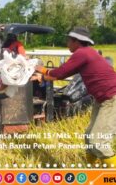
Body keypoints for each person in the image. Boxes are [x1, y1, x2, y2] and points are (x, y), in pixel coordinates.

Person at [32, 27, 116, 166]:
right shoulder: (87, 53)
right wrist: (43, 72)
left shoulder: (82, 53)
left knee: (98, 141)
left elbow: (60, 74)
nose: (67, 43)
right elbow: (61, 72)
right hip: (103, 99)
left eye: (69, 40)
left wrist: (42, 75)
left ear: (77, 41)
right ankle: (92, 170)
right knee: (90, 137)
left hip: (111, 99)